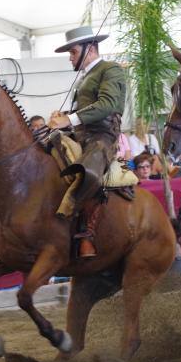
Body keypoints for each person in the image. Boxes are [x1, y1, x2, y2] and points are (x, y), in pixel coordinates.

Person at [47, 26, 126, 258]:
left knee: (88, 171)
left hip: (103, 136)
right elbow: (83, 110)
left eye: (72, 52)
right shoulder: (86, 77)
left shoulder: (111, 69)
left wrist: (68, 119)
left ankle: (86, 231)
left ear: (89, 49)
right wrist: (62, 119)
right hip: (80, 134)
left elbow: (107, 104)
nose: (70, 58)